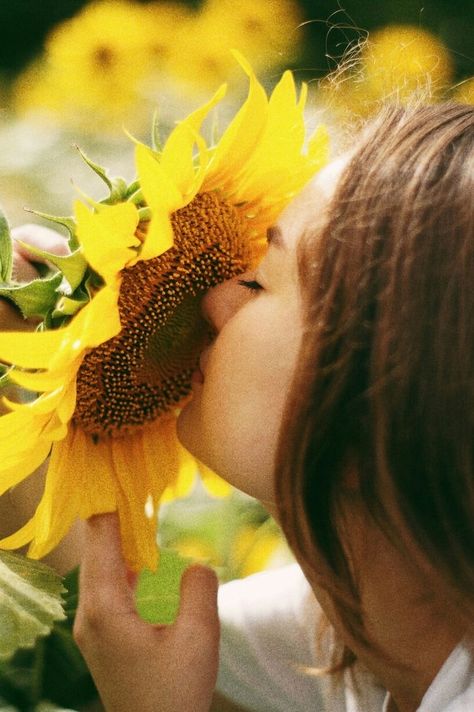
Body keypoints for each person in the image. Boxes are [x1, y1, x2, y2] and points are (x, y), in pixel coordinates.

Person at [7, 102, 474, 712]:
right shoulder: (359, 627)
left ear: (374, 409)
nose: (213, 300)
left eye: (258, 280)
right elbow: (140, 654)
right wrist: (25, 372)